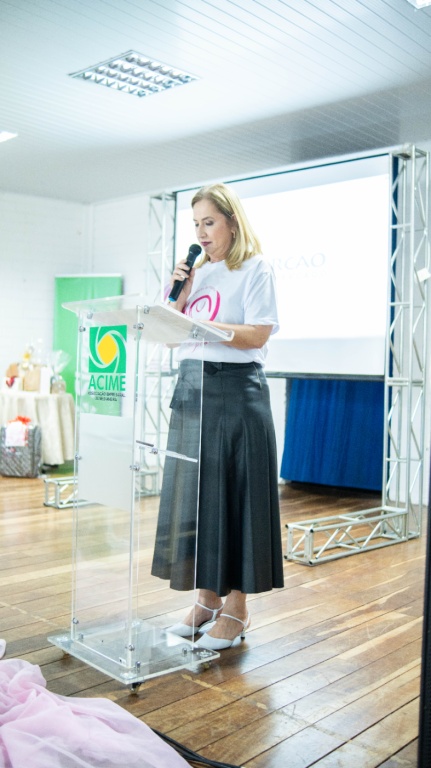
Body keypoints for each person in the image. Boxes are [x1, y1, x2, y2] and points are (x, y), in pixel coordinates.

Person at [151, 183, 284, 651]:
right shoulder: (197, 274)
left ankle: (237, 609)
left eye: (209, 222)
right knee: (198, 501)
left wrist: (202, 325)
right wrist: (179, 297)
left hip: (235, 391)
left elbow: (258, 334)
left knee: (237, 499)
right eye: (196, 224)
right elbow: (170, 336)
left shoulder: (254, 267)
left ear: (232, 221)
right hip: (193, 389)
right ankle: (206, 601)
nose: (201, 233)